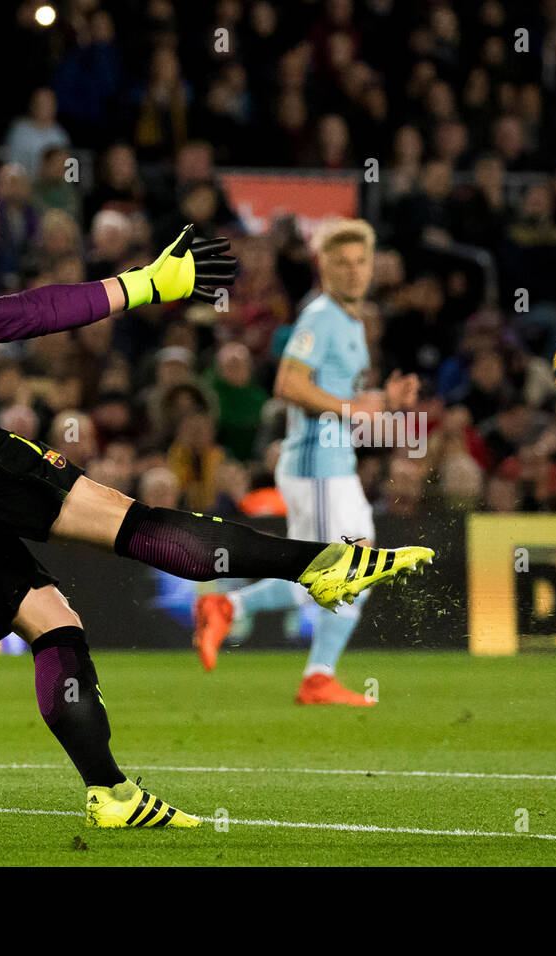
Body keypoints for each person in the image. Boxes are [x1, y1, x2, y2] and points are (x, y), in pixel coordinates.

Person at [0, 142, 433, 829]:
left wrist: (144, 284)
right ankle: (314, 564)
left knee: (52, 618)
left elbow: (34, 311)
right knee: (118, 516)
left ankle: (109, 792)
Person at [192, 218, 420, 705]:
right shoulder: (320, 315)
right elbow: (288, 385)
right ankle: (235, 612)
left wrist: (382, 398)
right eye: (342, 263)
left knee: (346, 570)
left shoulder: (351, 322)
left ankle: (311, 669)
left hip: (335, 465)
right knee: (337, 568)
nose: (355, 272)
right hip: (316, 463)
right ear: (324, 267)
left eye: (361, 262)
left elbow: (340, 396)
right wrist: (353, 408)